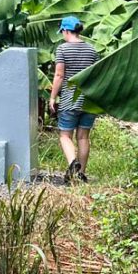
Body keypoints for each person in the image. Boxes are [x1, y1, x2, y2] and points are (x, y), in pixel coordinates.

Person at [49, 16, 98, 184]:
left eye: (62, 31)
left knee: (65, 135)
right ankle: (81, 173)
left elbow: (59, 75)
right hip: (88, 100)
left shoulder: (63, 49)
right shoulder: (92, 50)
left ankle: (72, 163)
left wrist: (53, 97)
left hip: (70, 99)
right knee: (83, 137)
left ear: (66, 31)